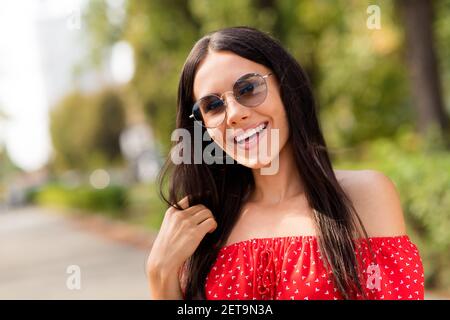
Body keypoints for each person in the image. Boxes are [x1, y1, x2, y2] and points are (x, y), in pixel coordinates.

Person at [145, 26, 425, 300]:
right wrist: (160, 271)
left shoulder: (364, 196)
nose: (234, 114)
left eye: (249, 88)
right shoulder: (202, 224)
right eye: (213, 106)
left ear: (285, 86)